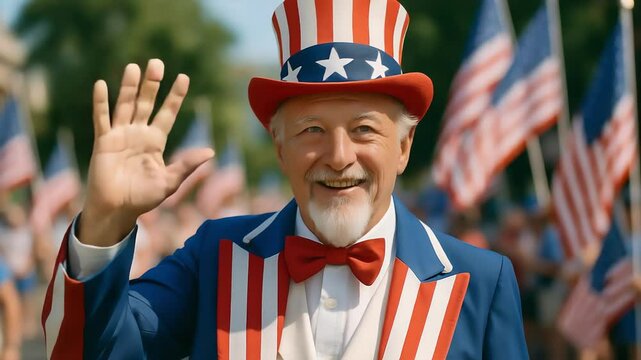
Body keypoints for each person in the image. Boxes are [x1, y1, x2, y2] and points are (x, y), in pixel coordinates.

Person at [42, 0, 527, 358]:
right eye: (312, 130)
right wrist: (104, 223)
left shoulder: (479, 284)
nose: (339, 157)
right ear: (280, 148)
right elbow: (88, 351)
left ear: (402, 147)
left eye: (363, 130)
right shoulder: (216, 256)